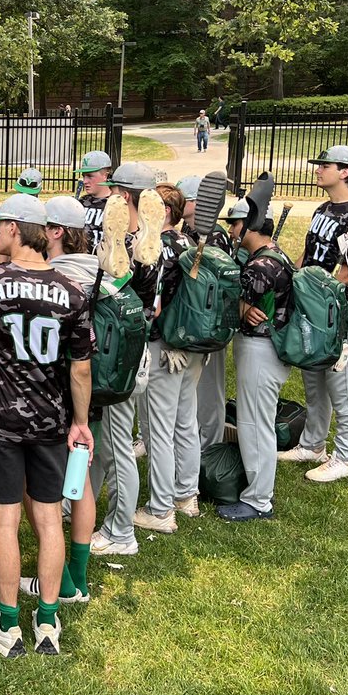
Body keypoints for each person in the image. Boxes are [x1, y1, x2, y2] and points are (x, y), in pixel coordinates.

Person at [0, 195, 95, 658]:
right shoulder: (72, 289)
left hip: (1, 419)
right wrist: (80, 422)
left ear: (15, 229)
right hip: (51, 418)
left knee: (5, 522)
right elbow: (80, 369)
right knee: (48, 521)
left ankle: (7, 623)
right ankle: (47, 620)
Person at [279, 145, 348, 483]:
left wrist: (320, 307)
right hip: (313, 308)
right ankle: (312, 444)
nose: (318, 170)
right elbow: (309, 253)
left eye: (325, 165)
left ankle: (346, 456)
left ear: (345, 171)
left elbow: (347, 273)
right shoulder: (323, 208)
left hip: (342, 311)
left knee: (343, 382)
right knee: (313, 378)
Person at [88, 162, 164, 556]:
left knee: (118, 449)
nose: (110, 196)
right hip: (130, 351)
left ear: (128, 196)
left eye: (116, 190)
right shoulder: (148, 238)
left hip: (124, 356)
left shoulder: (135, 244)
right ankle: (78, 506)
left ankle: (121, 532)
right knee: (104, 442)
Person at [134, 183, 204, 534]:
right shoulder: (188, 243)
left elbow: (155, 306)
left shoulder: (158, 246)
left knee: (157, 430)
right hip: (192, 345)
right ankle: (186, 495)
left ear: (162, 212)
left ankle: (160, 508)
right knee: (184, 422)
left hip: (165, 345)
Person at [220, 202, 291, 521]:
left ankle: (259, 500)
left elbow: (227, 310)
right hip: (269, 349)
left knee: (255, 425)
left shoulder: (260, 265)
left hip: (261, 349)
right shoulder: (276, 254)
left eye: (236, 225)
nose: (233, 231)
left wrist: (239, 307)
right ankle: (257, 491)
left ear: (251, 226)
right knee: (255, 422)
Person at [178, 175, 234, 449]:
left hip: (210, 323)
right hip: (190, 320)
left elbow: (219, 284)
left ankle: (211, 444)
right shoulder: (186, 231)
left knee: (210, 388)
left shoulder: (215, 236)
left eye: (183, 199)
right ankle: (193, 438)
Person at [74, 150, 112, 250]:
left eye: (90, 176)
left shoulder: (115, 205)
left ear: (105, 175)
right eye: (84, 176)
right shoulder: (79, 204)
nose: (85, 181)